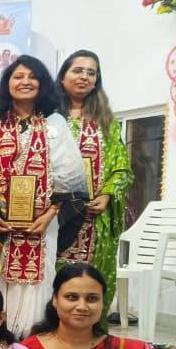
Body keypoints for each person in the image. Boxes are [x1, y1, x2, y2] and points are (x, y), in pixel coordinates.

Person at [0, 55, 87, 338]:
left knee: (39, 280)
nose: (24, 82)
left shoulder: (54, 122)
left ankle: (32, 340)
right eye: (17, 76)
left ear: (42, 83)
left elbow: (69, 175)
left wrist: (49, 215)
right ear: (7, 83)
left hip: (42, 221)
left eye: (32, 76)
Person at [54, 50, 133, 322]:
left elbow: (122, 168)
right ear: (63, 76)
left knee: (89, 282)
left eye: (91, 72)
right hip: (56, 216)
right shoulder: (49, 118)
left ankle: (91, 337)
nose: (84, 77)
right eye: (77, 70)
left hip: (94, 219)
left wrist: (108, 195)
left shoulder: (106, 123)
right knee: (56, 281)